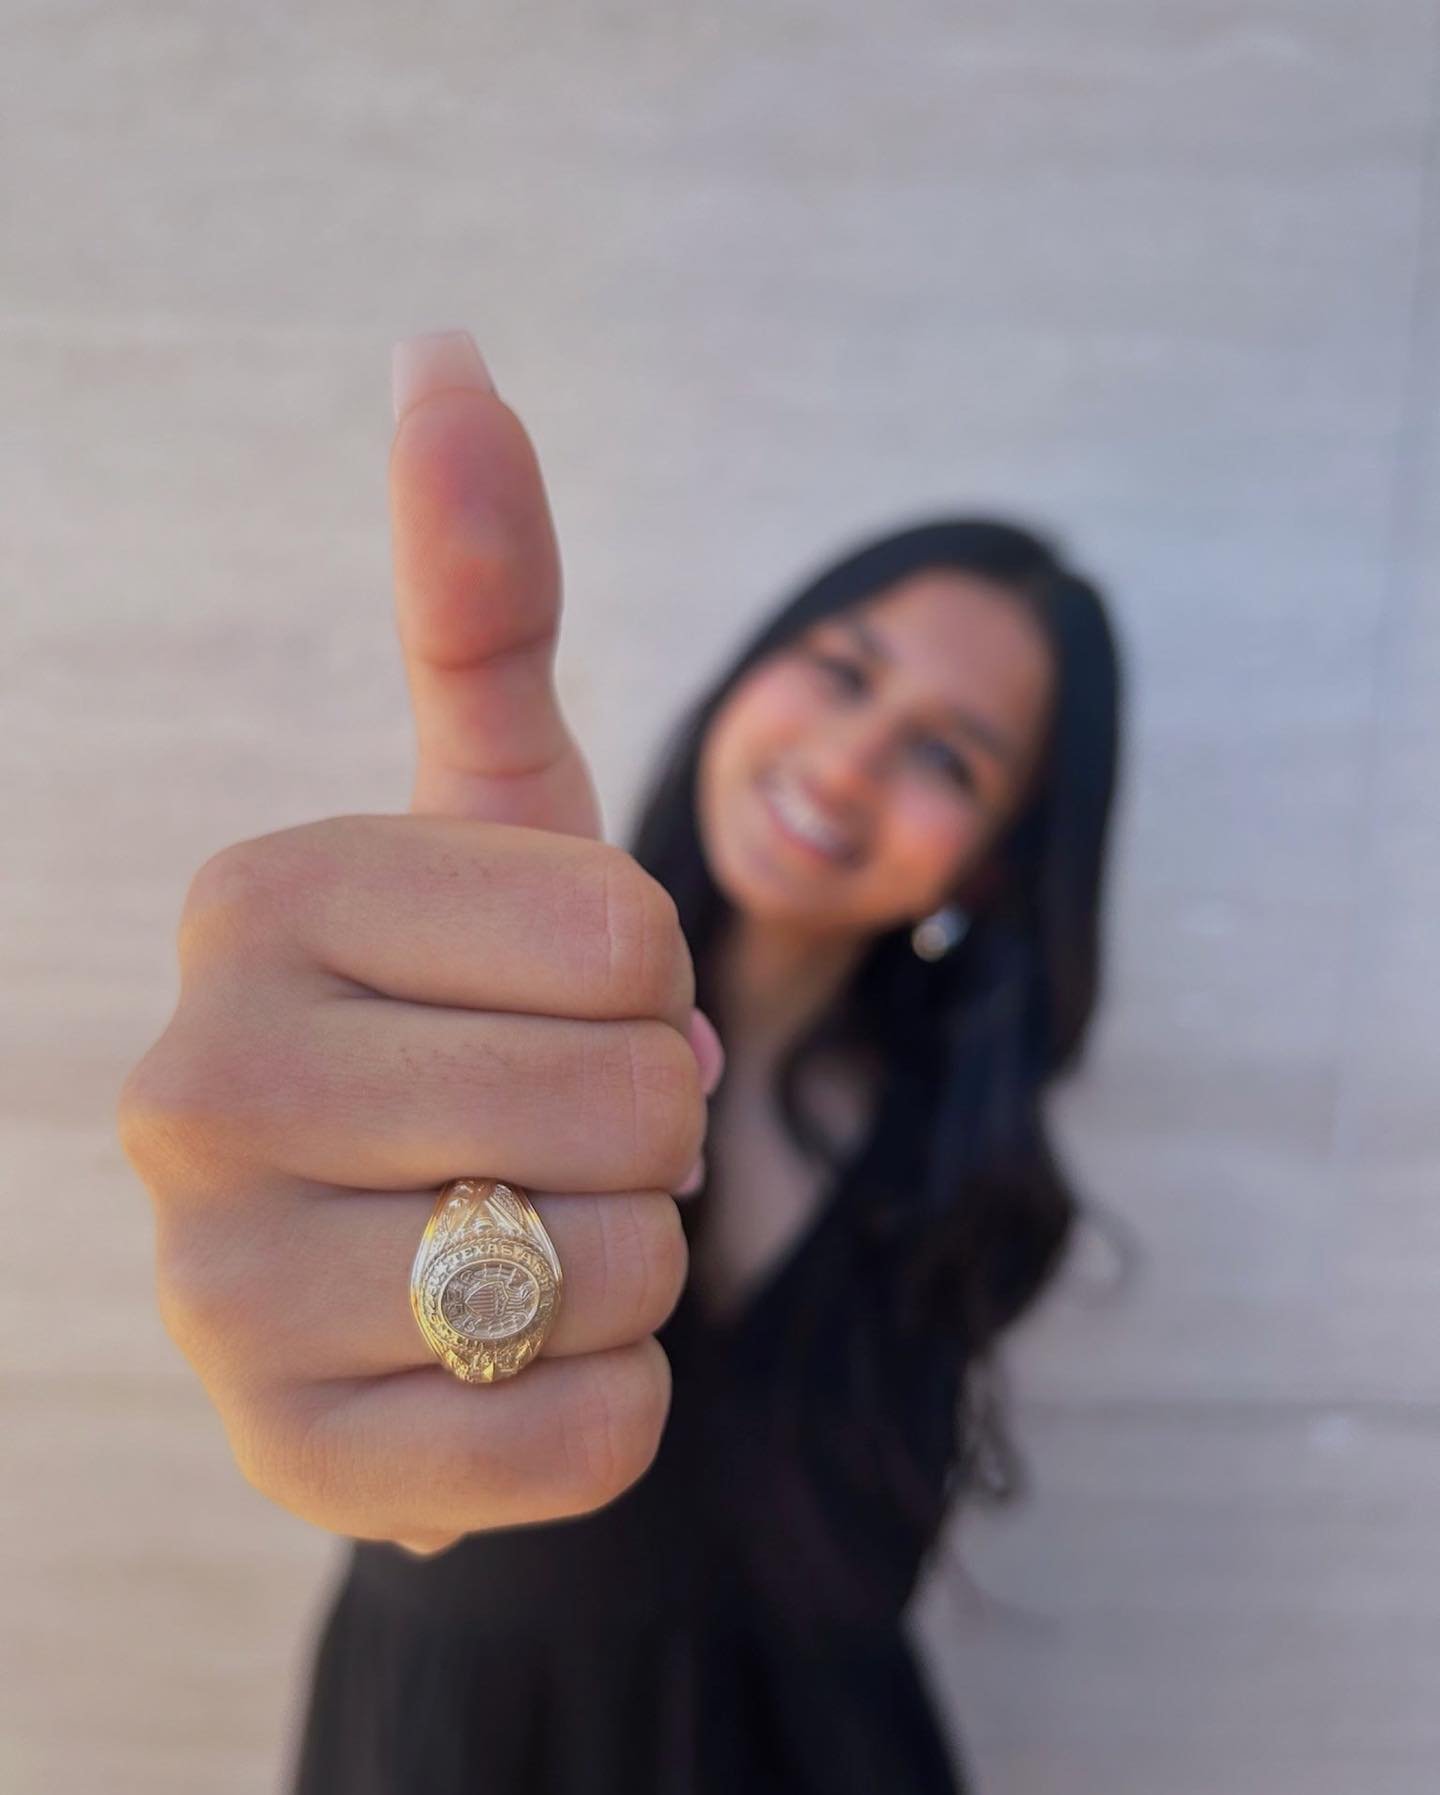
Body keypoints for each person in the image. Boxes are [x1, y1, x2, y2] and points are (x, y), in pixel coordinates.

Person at [116, 330, 1123, 1795]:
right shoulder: (492, 1024)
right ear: (748, 672)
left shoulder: (971, 1183)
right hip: (460, 1751)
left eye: (948, 758)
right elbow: (434, 1501)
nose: (847, 763)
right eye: (843, 671)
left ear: (995, 864)